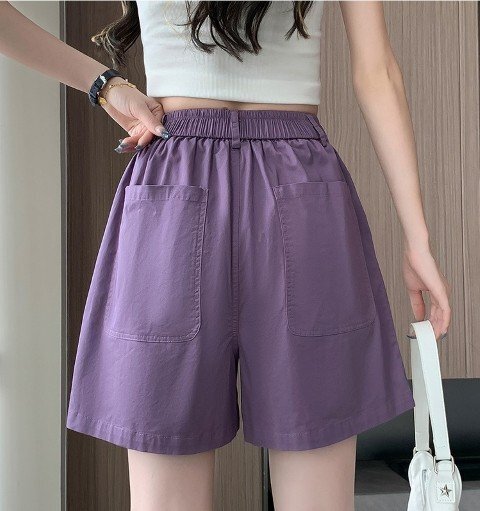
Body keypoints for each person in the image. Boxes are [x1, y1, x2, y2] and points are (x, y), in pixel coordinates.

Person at [1, 1, 451, 510]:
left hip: (178, 188)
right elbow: (377, 72)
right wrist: (416, 239)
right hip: (292, 185)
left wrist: (103, 84)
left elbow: (378, 73)